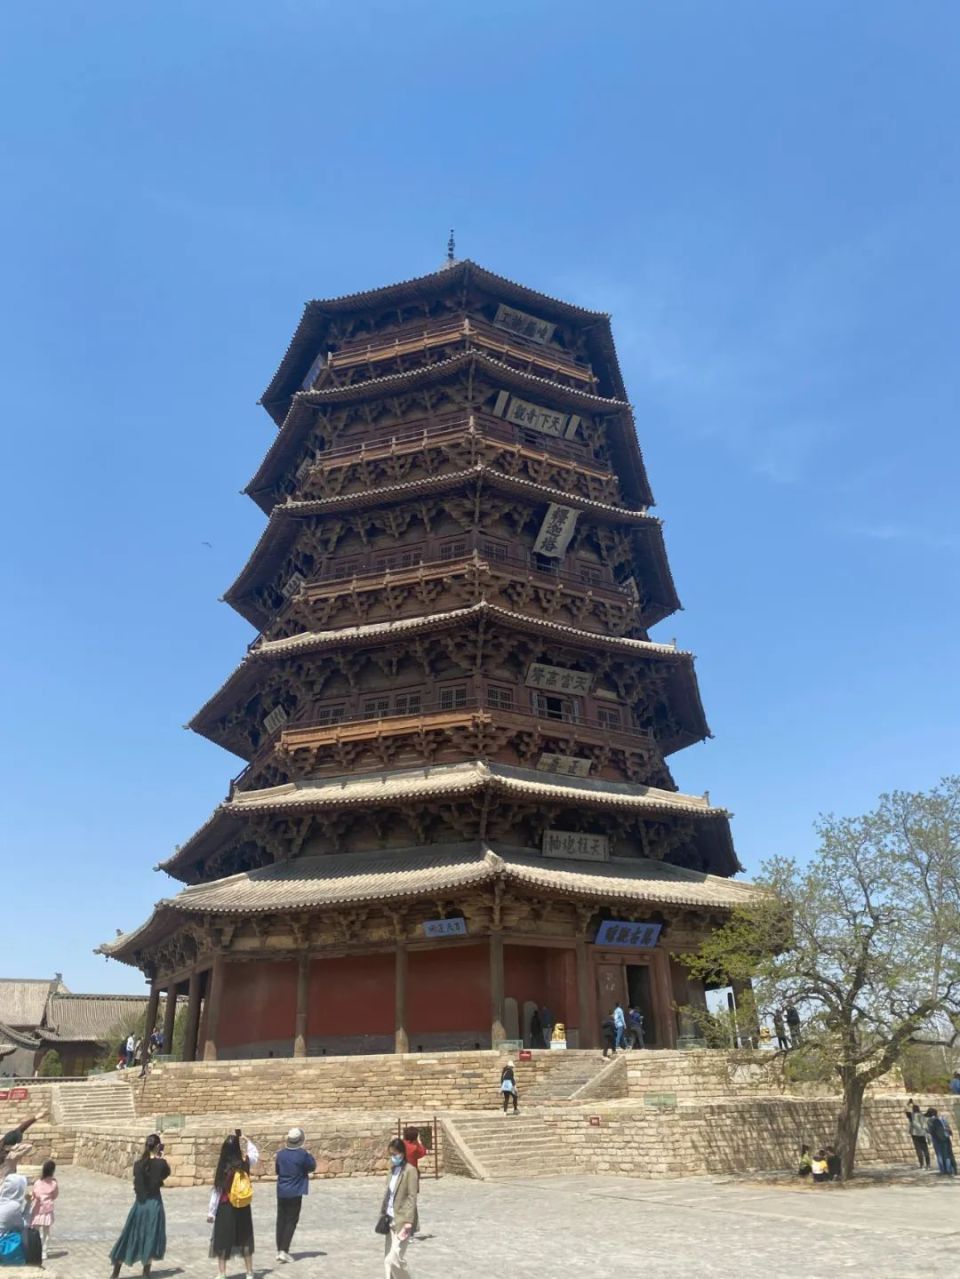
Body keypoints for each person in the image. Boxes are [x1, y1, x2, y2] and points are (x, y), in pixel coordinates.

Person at [109, 1133, 170, 1278]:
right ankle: (146, 1272)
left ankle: (116, 1270)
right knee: (151, 1235)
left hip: (139, 1205)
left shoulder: (138, 1164)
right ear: (157, 1146)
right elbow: (166, 1173)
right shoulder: (161, 1164)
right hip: (154, 1204)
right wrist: (160, 1157)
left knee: (129, 1235)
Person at [209, 1130, 258, 1277]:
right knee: (245, 1237)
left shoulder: (223, 1167)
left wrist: (211, 1212)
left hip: (225, 1206)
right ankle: (249, 1272)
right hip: (242, 1205)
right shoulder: (244, 1163)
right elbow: (254, 1153)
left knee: (222, 1239)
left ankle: (222, 1273)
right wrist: (245, 1139)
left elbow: (217, 1191)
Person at [274, 1126, 316, 1264]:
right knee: (291, 1221)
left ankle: (279, 1249)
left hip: (282, 1191)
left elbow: (277, 1170)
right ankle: (284, 1251)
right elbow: (312, 1166)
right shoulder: (303, 1155)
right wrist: (309, 1154)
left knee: (281, 1220)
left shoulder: (280, 1154)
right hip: (295, 1191)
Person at [380, 1138, 418, 1279]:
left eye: (395, 1154)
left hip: (402, 1222)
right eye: (391, 1154)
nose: (393, 1157)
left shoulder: (410, 1171)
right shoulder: (392, 1170)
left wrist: (409, 1221)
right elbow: (389, 1194)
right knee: (387, 1261)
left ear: (402, 1153)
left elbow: (412, 1197)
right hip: (390, 1220)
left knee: (394, 1259)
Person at [0, 1173, 42, 1267]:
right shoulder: (13, 1206)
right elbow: (24, 1225)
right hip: (3, 1244)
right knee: (29, 1236)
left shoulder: (3, 1201)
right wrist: (29, 1203)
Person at [28, 1159, 58, 1261]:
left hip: (37, 1210)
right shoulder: (54, 1184)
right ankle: (44, 1252)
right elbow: (55, 1195)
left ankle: (35, 1250)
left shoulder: (37, 1182)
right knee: (46, 1232)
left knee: (35, 1232)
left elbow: (33, 1194)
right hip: (47, 1210)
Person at [0, 1115, 44, 1179]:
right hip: (6, 1181)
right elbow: (29, 1146)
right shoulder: (12, 1155)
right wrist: (15, 1147)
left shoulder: (3, 1141)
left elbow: (21, 1128)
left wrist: (35, 1118)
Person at [925, 1108, 954, 1176]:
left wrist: (927, 1130)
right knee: (946, 1155)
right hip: (945, 1138)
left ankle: (943, 1171)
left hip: (936, 1139)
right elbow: (947, 1127)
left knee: (939, 1155)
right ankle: (949, 1170)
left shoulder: (929, 1121)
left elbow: (930, 1131)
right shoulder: (941, 1118)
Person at [906, 1101, 931, 1169]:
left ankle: (921, 1164)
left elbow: (906, 1110)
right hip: (922, 1134)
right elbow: (925, 1125)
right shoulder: (922, 1115)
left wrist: (908, 1104)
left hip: (915, 1134)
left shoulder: (911, 1116)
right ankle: (928, 1164)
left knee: (918, 1149)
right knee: (925, 1149)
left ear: (913, 1109)